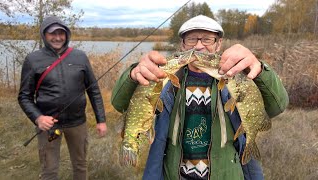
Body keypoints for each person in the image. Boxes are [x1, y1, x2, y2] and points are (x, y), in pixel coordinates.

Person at [111, 15, 289, 180]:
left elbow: (278, 106)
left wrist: (258, 72)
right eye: (192, 39)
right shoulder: (164, 81)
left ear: (218, 44)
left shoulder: (236, 79)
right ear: (182, 45)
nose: (198, 46)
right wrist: (133, 75)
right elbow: (120, 104)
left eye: (207, 39)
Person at [18, 16, 107, 180]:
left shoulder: (80, 57)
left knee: (80, 165)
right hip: (48, 126)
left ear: (67, 34)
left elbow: (93, 90)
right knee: (49, 170)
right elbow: (24, 96)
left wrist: (101, 120)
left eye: (61, 33)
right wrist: (38, 118)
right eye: (53, 33)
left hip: (77, 122)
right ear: (44, 34)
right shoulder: (32, 60)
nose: (57, 37)